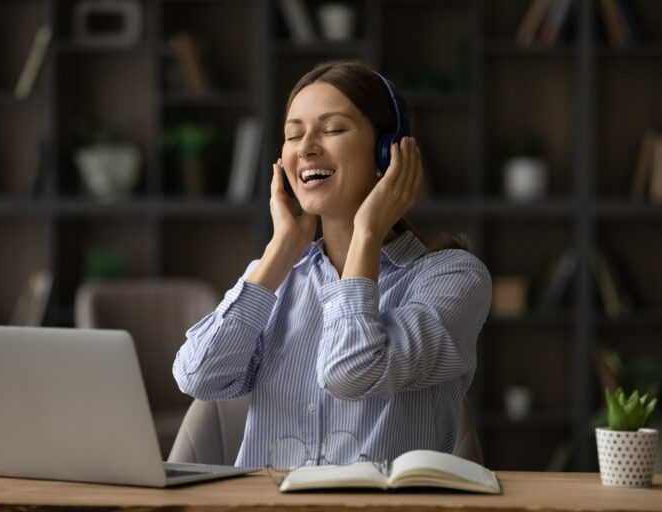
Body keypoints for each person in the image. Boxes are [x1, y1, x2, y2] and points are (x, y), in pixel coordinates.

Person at [173, 61, 492, 468]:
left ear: (387, 150)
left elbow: (351, 370)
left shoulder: (453, 277)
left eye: (333, 129)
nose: (306, 147)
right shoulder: (277, 275)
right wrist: (280, 250)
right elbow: (198, 377)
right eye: (293, 134)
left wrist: (367, 234)